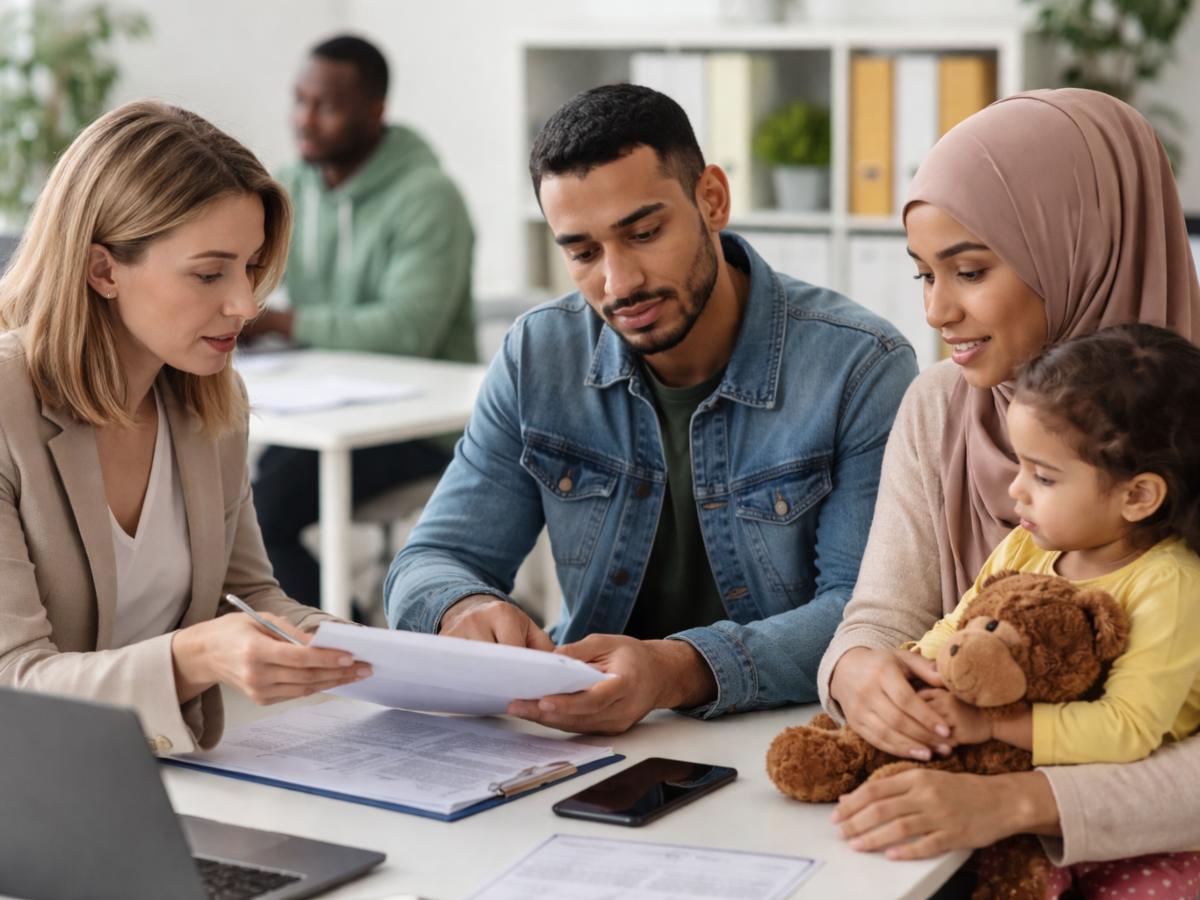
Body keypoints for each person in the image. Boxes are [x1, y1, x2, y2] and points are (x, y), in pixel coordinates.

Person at [385, 84, 917, 735]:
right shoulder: (538, 354)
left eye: (644, 233)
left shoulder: (859, 365)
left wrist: (677, 668)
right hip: (589, 736)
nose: (618, 282)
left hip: (788, 731)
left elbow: (867, 614)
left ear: (712, 200)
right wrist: (458, 606)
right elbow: (429, 560)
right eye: (582, 253)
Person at [814, 88, 1200, 873]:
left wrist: (1017, 801)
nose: (936, 310)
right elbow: (883, 613)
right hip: (953, 848)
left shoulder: (1188, 425)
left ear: (1081, 246)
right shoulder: (939, 405)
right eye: (924, 274)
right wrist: (859, 675)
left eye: (970, 269)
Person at [0, 100, 372, 755]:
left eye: (251, 266)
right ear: (103, 270)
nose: (246, 304)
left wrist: (402, 660)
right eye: (209, 273)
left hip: (165, 779)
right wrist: (192, 657)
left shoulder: (209, 401)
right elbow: (15, 688)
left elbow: (249, 596)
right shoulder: (7, 406)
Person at [912, 324, 1200, 895]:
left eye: (1043, 476)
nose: (1017, 490)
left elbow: (1125, 731)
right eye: (1021, 466)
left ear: (1138, 495)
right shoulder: (1027, 544)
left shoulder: (1171, 586)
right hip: (1032, 808)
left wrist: (986, 722)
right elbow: (953, 632)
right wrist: (909, 676)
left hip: (1131, 830)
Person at [245, 34, 477, 608]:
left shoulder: (429, 197)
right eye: (299, 100)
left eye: (326, 105)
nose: (305, 119)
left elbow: (406, 330)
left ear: (374, 111)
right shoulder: (293, 184)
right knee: (244, 509)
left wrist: (277, 323)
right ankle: (337, 642)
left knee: (259, 517)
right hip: (337, 405)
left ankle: (342, 651)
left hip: (425, 425)